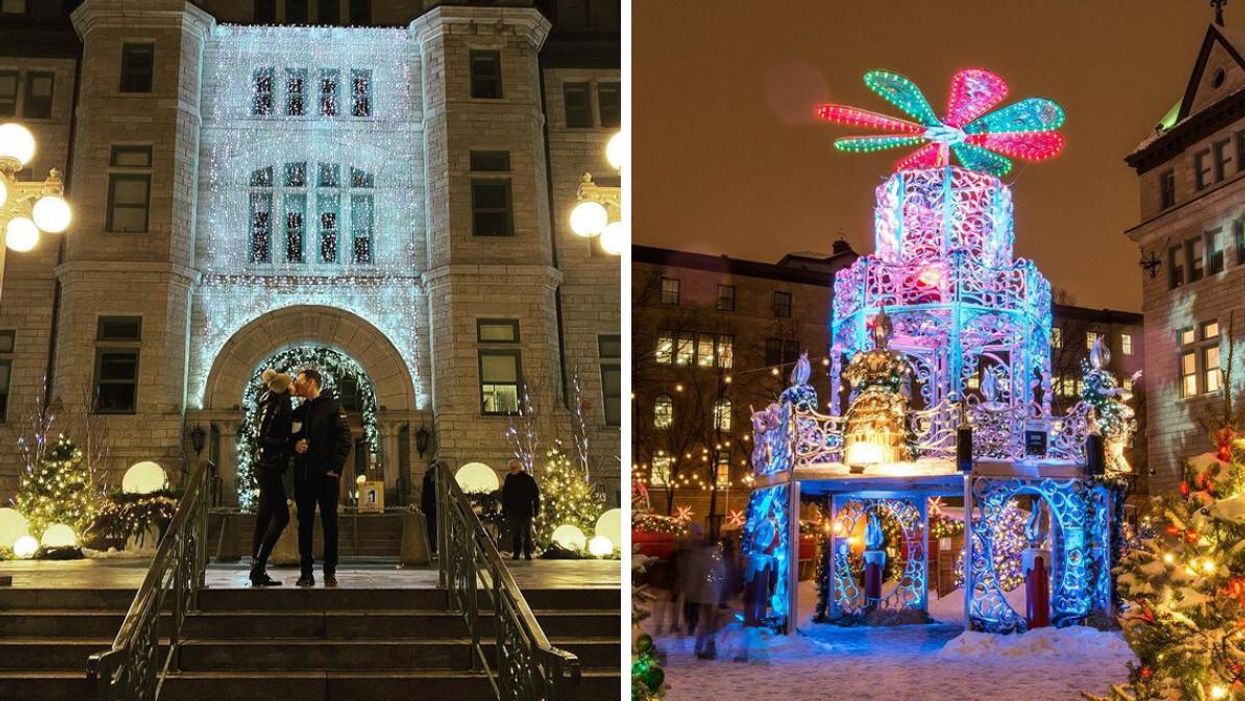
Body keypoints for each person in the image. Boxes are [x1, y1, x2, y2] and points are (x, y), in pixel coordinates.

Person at [291, 368, 352, 587]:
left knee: (330, 523)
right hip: (304, 478)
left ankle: (329, 572)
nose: (295, 384)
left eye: (298, 380)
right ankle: (306, 572)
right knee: (304, 524)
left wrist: (334, 468)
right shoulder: (298, 412)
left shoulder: (333, 407)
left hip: (326, 477)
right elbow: (289, 438)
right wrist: (294, 445)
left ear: (310, 382)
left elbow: (345, 440)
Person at [250, 369, 293, 587]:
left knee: (264, 517)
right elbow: (262, 437)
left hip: (268, 466)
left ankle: (257, 570)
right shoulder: (274, 404)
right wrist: (288, 443)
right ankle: (258, 566)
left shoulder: (273, 401)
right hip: (268, 466)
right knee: (282, 517)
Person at [500, 458, 540, 561]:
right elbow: (505, 496)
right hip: (515, 511)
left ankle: (526, 553)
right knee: (516, 534)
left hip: (525, 511)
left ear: (519, 467)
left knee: (527, 533)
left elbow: (535, 495)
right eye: (510, 468)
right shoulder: (509, 479)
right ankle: (517, 553)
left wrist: (536, 509)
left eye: (513, 468)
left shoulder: (527, 479)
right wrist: (505, 510)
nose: (512, 470)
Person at [420, 461, 438, 557]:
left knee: (435, 530)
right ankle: (432, 549)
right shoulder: (427, 480)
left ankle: (435, 548)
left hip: (436, 509)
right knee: (431, 529)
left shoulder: (438, 479)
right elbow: (426, 495)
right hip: (430, 509)